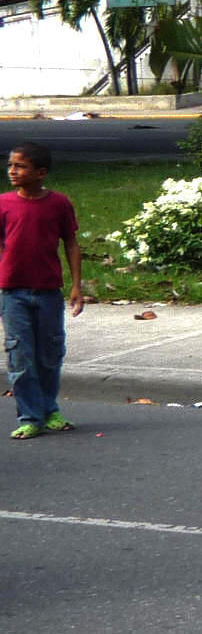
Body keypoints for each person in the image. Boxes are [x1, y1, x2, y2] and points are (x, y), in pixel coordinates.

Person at [2, 141, 84, 440]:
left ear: (41, 173)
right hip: (12, 293)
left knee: (50, 355)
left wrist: (76, 285)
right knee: (20, 358)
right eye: (11, 164)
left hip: (49, 292)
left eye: (20, 166)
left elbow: (71, 243)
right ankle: (30, 416)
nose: (12, 170)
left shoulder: (59, 203)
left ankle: (50, 409)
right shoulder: (3, 204)